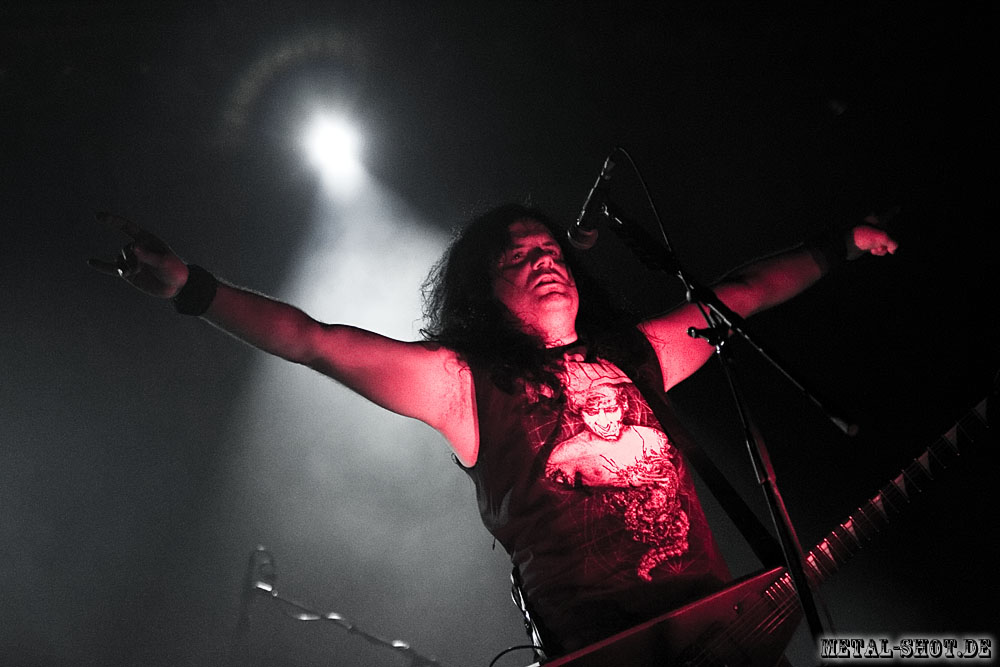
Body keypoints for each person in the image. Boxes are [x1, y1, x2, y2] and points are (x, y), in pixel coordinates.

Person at [89, 203, 897, 660]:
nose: (544, 259)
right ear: (483, 291)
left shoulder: (636, 355)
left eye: (551, 249)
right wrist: (191, 287)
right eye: (518, 256)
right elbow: (315, 340)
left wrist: (841, 244)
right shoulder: (465, 383)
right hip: (605, 650)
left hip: (719, 634)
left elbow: (742, 294)